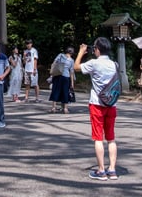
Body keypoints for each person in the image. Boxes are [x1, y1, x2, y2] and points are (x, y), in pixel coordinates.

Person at [74, 37, 119, 181]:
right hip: (111, 104)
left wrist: (81, 52)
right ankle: (112, 169)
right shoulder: (114, 64)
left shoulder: (94, 63)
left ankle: (101, 170)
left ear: (97, 50)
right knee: (111, 138)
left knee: (98, 138)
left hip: (97, 104)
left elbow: (76, 67)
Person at [49, 47, 75, 114]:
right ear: (72, 53)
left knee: (55, 91)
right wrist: (72, 83)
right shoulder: (71, 60)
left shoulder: (60, 55)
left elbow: (54, 63)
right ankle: (65, 108)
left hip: (57, 75)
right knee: (65, 92)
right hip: (66, 77)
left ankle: (53, 107)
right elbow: (71, 72)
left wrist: (52, 73)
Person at [22, 39, 40, 103]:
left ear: (31, 44)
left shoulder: (34, 51)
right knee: (27, 84)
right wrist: (24, 56)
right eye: (27, 44)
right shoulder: (25, 51)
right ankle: (26, 97)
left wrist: (34, 69)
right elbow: (24, 62)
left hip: (32, 69)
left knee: (35, 84)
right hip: (27, 69)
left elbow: (35, 60)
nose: (28, 45)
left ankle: (37, 97)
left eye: (29, 44)